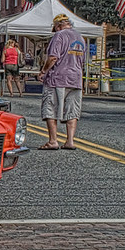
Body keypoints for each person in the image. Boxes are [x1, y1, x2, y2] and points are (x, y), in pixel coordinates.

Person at [37, 14, 86, 150]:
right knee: (72, 110)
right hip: (75, 78)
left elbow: (53, 57)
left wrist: (43, 71)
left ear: (58, 26)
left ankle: (53, 141)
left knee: (50, 107)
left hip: (58, 78)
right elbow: (82, 61)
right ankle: (70, 141)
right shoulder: (80, 37)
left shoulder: (59, 36)